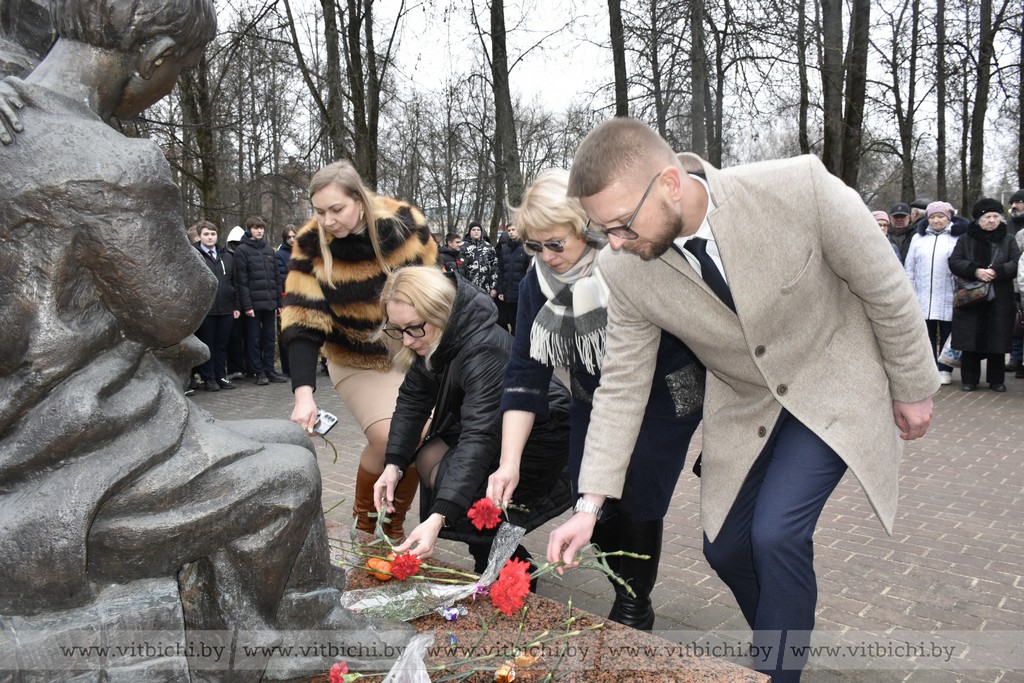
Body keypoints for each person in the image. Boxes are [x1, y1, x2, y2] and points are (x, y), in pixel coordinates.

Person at [0, 1, 407, 676]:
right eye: (182, 67)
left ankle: (279, 620)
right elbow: (176, 309)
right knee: (288, 475)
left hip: (49, 431)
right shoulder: (113, 163)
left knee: (279, 440)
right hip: (69, 454)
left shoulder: (12, 119)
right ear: (157, 54)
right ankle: (279, 642)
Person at [547, 118, 938, 682]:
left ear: (670, 184)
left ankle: (777, 671)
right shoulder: (624, 268)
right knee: (726, 549)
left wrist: (914, 385)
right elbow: (622, 385)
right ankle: (784, 643)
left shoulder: (799, 186)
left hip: (831, 376)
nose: (614, 243)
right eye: (602, 229)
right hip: (746, 406)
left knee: (776, 534)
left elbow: (885, 285)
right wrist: (589, 506)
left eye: (621, 225)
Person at [486, 169, 703, 631]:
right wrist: (509, 462)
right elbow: (525, 374)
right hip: (594, 398)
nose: (546, 257)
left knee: (637, 495)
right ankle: (622, 580)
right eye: (533, 246)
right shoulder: (534, 285)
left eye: (556, 244)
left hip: (662, 394)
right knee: (596, 504)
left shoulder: (634, 261)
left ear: (586, 228)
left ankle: (633, 601)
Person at [373, 266, 571, 573]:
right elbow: (413, 401)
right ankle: (493, 552)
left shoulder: (483, 349)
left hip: (542, 431)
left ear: (441, 312)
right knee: (430, 459)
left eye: (413, 328)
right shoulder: (432, 338)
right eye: (396, 330)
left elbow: (478, 438)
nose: (407, 341)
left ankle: (511, 565)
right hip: (489, 421)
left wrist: (438, 518)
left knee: (471, 486)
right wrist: (393, 464)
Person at [282, 160, 438, 539]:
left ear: (360, 200)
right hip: (356, 360)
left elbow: (437, 290)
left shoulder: (405, 226)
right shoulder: (309, 245)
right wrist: (304, 394)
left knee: (426, 436)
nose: (328, 220)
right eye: (319, 212)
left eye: (337, 209)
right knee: (390, 438)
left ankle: (393, 526)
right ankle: (367, 525)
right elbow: (302, 321)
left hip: (411, 351)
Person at [948, 198, 1021, 392]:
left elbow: (1016, 263)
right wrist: (976, 271)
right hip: (972, 296)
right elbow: (955, 261)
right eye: (987, 216)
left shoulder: (1008, 239)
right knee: (969, 340)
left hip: (999, 296)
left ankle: (996, 380)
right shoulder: (966, 238)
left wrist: (997, 271)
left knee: (998, 340)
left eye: (996, 216)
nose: (992, 220)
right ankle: (969, 380)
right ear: (979, 219)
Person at [904, 202, 958, 385]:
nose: (937, 220)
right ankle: (929, 368)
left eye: (941, 216)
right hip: (923, 295)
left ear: (948, 218)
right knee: (925, 334)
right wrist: (910, 291)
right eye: (933, 217)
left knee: (946, 332)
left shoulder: (956, 237)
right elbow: (910, 267)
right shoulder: (918, 238)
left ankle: (944, 369)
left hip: (947, 294)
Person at [235, 215, 286, 385]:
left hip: (270, 303)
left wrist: (279, 303)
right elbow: (241, 281)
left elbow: (276, 278)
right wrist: (247, 305)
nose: (259, 231)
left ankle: (270, 369)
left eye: (261, 228)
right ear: (249, 229)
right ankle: (258, 372)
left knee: (270, 338)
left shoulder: (269, 250)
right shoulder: (242, 250)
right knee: (254, 339)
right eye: (256, 228)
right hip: (253, 306)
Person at [194, 220, 240, 391]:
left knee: (222, 345)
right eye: (206, 234)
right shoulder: (195, 255)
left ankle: (221, 376)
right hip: (206, 310)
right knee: (208, 345)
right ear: (199, 236)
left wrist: (236, 306)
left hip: (226, 308)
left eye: (213, 234)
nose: (210, 237)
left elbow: (234, 282)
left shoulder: (227, 256)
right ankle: (209, 378)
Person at [494, 224, 530, 334]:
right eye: (509, 230)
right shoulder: (504, 251)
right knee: (511, 321)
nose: (511, 232)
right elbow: (501, 271)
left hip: (522, 292)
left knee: (522, 323)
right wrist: (500, 290)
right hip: (508, 293)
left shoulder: (527, 249)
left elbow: (529, 271)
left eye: (513, 229)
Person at [275, 223, 297, 376]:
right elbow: (280, 279)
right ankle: (288, 368)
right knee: (286, 334)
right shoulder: (279, 255)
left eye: (294, 236)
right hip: (286, 298)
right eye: (289, 237)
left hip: (302, 298)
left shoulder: (304, 252)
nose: (292, 240)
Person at [461, 220, 498, 294]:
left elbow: (495, 268)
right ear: (469, 232)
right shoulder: (462, 247)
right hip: (469, 288)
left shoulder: (489, 247)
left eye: (478, 230)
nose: (476, 232)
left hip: (486, 288)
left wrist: (494, 287)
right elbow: (460, 269)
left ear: (481, 232)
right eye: (473, 230)